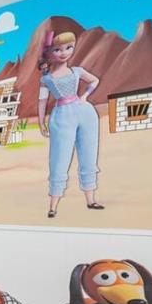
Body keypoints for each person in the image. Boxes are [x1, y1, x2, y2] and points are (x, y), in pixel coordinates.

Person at [37, 31, 103, 218]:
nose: (64, 52)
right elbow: (42, 101)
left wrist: (85, 96)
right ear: (50, 53)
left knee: (89, 155)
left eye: (68, 47)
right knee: (59, 159)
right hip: (61, 116)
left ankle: (91, 200)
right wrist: (41, 122)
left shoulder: (77, 71)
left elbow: (94, 81)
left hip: (85, 112)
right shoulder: (46, 79)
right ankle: (53, 205)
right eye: (57, 49)